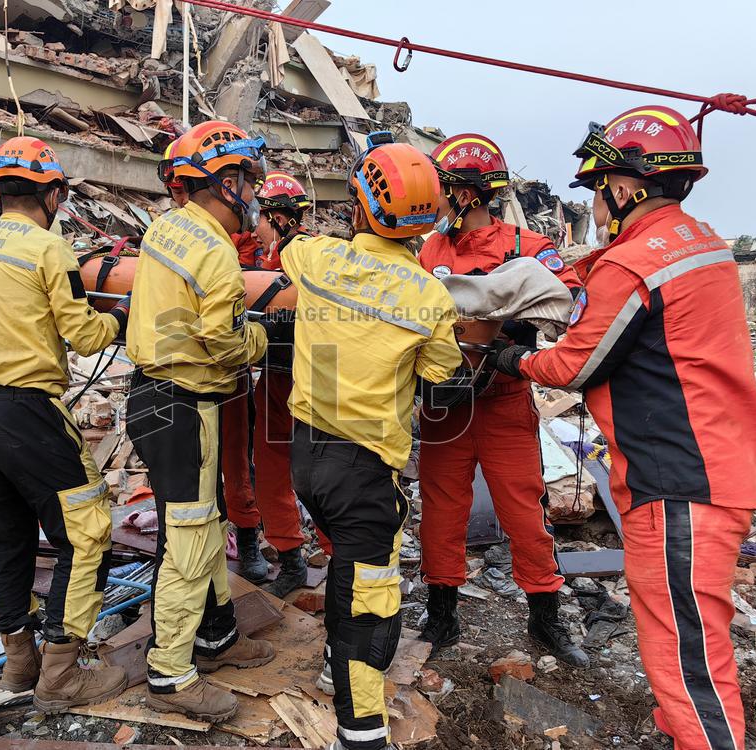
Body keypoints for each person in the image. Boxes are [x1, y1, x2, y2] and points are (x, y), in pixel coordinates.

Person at [493, 106, 756, 750]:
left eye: (597, 189)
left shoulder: (633, 263)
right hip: (713, 465)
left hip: (679, 481)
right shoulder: (700, 242)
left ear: (626, 187)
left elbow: (575, 363)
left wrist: (512, 357)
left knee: (686, 656)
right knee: (678, 633)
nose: (593, 203)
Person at [282, 132, 465, 750]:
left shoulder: (316, 260)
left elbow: (288, 253)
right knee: (369, 602)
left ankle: (337, 659)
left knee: (344, 569)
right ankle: (361, 732)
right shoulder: (429, 295)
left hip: (305, 457)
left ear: (361, 204)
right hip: (364, 472)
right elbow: (443, 375)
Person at [0, 136, 130, 712]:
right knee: (88, 524)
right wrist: (120, 314)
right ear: (51, 193)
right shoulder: (49, 249)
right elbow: (84, 334)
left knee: (9, 532)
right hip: (26, 409)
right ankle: (63, 671)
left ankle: (19, 664)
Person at [415, 134, 589, 668]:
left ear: (467, 193)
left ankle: (545, 614)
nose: (437, 201)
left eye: (444, 190)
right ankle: (442, 611)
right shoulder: (431, 249)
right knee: (442, 513)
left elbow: (570, 302)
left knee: (523, 512)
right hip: (444, 403)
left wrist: (511, 335)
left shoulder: (528, 247)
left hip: (505, 399)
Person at [126, 120, 278, 723]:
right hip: (184, 407)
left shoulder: (165, 229)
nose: (255, 196)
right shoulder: (215, 250)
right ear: (229, 181)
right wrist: (260, 341)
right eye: (249, 181)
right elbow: (220, 338)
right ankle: (171, 674)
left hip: (158, 401)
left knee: (204, 526)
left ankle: (217, 637)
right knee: (189, 538)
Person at [251, 171, 332, 598]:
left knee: (316, 472)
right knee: (270, 469)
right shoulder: (267, 257)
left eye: (260, 217)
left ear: (277, 218)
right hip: (277, 377)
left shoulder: (306, 256)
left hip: (310, 378)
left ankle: (336, 560)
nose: (255, 226)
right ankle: (291, 558)